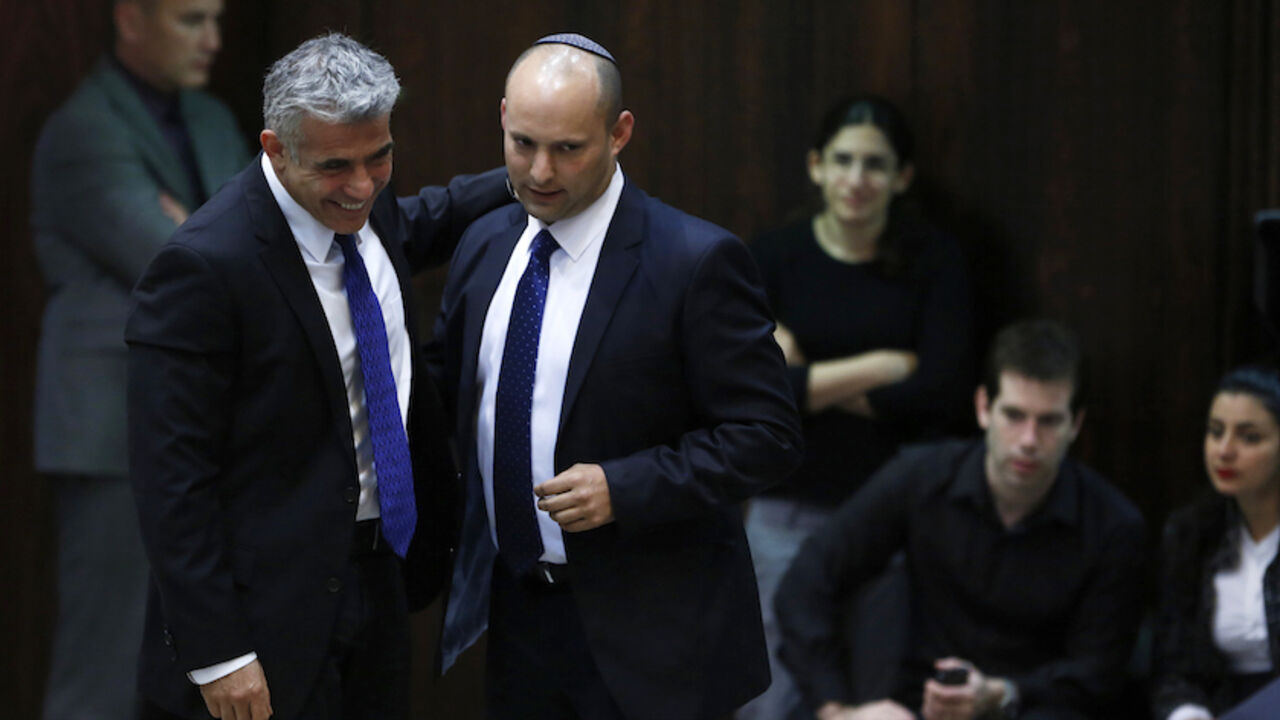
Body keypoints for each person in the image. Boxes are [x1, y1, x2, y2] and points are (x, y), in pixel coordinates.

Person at [126, 33, 508, 720]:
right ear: (276, 149)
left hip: (380, 579)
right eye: (337, 166)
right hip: (262, 619)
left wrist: (534, 171)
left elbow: (427, 216)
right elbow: (170, 482)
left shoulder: (367, 212)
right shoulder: (205, 268)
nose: (362, 186)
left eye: (380, 156)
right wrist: (219, 653)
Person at [428, 33, 803, 720]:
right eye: (523, 144)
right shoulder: (485, 242)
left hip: (653, 637)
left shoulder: (695, 261)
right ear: (503, 118)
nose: (540, 171)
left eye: (568, 149)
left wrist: (625, 487)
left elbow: (769, 435)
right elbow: (447, 389)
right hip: (518, 615)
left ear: (619, 133)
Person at [30, 1, 247, 717]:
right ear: (130, 18)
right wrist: (201, 241)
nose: (213, 39)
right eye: (191, 20)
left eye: (216, 19)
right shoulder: (84, 129)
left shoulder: (212, 119)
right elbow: (175, 268)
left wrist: (192, 231)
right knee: (105, 663)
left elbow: (260, 252)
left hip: (204, 432)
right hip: (112, 437)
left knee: (192, 663)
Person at [775, 320, 1146, 720]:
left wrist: (1002, 694)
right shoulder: (922, 477)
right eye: (1015, 415)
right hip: (913, 706)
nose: (1028, 440)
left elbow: (1098, 675)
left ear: (1075, 424)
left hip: (1034, 709)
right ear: (983, 407)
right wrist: (838, 710)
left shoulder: (1113, 526)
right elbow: (806, 582)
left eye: (1049, 421)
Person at [738, 95, 974, 720]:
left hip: (894, 518)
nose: (856, 180)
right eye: (842, 160)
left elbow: (943, 398)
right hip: (786, 506)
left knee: (875, 693)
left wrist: (805, 378)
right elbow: (753, 395)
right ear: (816, 167)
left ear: (902, 176)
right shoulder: (772, 258)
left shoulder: (936, 262)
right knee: (772, 695)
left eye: (875, 164)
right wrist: (887, 365)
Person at [1152, 366, 1280, 720]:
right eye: (1215, 432)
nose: (1224, 451)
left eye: (1249, 437)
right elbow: (1173, 668)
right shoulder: (1190, 533)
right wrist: (1187, 714)